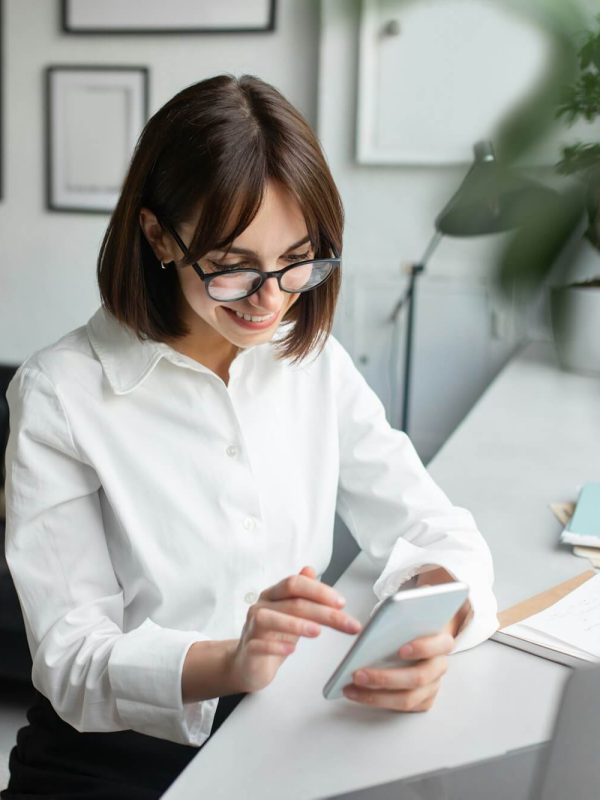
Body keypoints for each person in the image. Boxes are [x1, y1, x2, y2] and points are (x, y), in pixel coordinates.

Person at [2, 74, 498, 799]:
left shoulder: (312, 361)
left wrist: (437, 625)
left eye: (298, 260)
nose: (271, 299)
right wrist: (231, 660)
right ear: (157, 236)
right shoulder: (60, 395)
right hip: (109, 762)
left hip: (278, 732)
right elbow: (72, 661)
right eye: (233, 267)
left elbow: (430, 524)